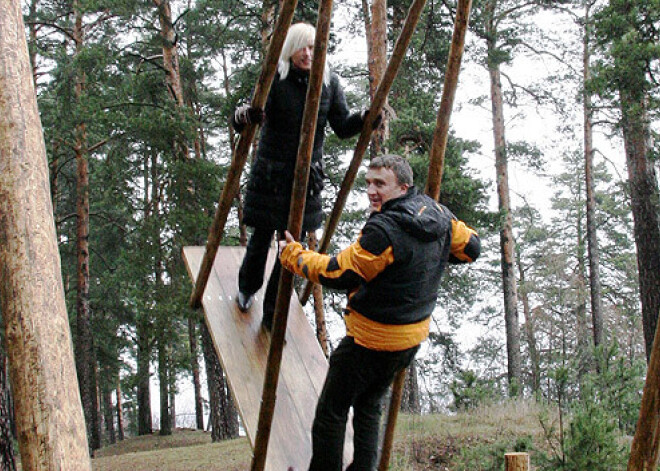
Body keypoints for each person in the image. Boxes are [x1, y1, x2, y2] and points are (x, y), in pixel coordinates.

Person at [278, 154, 481, 470]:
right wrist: (431, 258)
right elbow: (471, 249)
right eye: (368, 182)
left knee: (331, 412)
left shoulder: (384, 231)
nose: (371, 190)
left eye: (380, 184)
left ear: (402, 186)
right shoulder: (439, 215)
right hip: (408, 342)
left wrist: (294, 256)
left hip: (369, 341)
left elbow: (338, 273)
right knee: (369, 404)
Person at [232, 22, 379, 330]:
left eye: (314, 48)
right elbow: (244, 113)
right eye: (303, 47)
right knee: (259, 240)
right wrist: (246, 115)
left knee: (291, 247)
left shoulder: (329, 83)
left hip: (305, 182)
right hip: (271, 175)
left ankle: (274, 312)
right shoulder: (275, 78)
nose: (309, 53)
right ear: (291, 49)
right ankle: (247, 289)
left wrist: (365, 119)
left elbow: (342, 125)